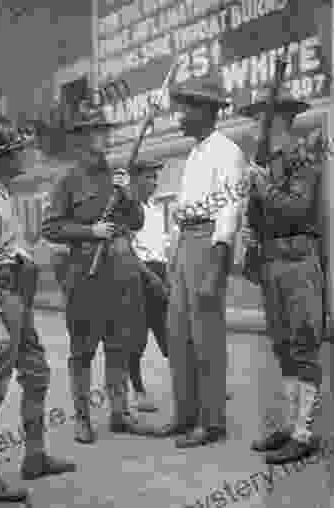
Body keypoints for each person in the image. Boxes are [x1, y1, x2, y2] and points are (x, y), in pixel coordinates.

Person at [0, 113, 75, 502]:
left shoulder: (0, 193)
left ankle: (35, 456)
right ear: (2, 158)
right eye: (17, 150)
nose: (23, 155)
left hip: (16, 293)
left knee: (36, 372)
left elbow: (5, 247)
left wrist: (28, 256)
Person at [141, 75, 245, 448]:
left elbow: (229, 211)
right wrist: (173, 254)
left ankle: (212, 422)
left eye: (187, 108)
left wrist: (217, 262)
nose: (180, 115)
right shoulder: (195, 154)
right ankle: (184, 416)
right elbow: (183, 212)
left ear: (206, 110)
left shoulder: (227, 151)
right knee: (178, 334)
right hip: (185, 243)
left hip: (208, 244)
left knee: (207, 337)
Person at [42, 102, 149, 444]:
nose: (104, 138)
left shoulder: (117, 175)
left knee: (118, 345)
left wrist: (129, 196)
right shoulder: (67, 180)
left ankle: (119, 414)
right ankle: (83, 419)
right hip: (83, 274)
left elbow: (137, 221)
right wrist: (91, 232)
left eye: (105, 132)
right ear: (83, 139)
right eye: (97, 133)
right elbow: (52, 228)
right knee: (83, 351)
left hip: (117, 274)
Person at [237, 87, 325, 465]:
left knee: (303, 346)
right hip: (273, 264)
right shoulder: (268, 165)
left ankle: (305, 433)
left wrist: (263, 188)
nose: (256, 127)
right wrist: (250, 223)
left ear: (279, 123)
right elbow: (263, 216)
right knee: (282, 347)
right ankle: (291, 426)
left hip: (297, 262)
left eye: (261, 119)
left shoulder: (302, 162)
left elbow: (296, 209)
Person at [128, 159, 170, 413]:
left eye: (156, 177)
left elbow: (161, 250)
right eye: (148, 177)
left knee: (171, 335)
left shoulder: (154, 208)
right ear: (135, 180)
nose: (154, 182)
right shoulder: (129, 210)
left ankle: (190, 386)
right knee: (137, 339)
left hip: (160, 273)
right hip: (139, 277)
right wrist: (151, 279)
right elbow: (129, 252)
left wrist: (166, 278)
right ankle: (138, 390)